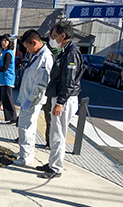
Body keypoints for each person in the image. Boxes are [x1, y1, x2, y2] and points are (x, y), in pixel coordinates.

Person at [37, 21, 83, 179]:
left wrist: (60, 103)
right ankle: (52, 163)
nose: (51, 39)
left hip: (64, 99)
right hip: (60, 97)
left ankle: (56, 167)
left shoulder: (71, 53)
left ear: (63, 36)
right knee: (55, 132)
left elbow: (69, 82)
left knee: (58, 134)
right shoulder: (65, 51)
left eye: (54, 36)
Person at [13, 30, 54, 166]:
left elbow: (41, 84)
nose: (27, 50)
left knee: (26, 128)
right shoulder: (37, 55)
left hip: (32, 100)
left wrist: (31, 100)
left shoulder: (45, 58)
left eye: (27, 47)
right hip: (28, 98)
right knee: (27, 127)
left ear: (34, 42)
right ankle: (24, 151)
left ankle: (26, 157)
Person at [0, 34, 17, 124]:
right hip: (2, 80)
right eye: (2, 40)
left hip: (7, 80)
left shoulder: (8, 53)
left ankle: (13, 118)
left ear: (9, 42)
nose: (3, 42)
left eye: (6, 41)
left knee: (7, 99)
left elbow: (5, 67)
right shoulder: (4, 52)